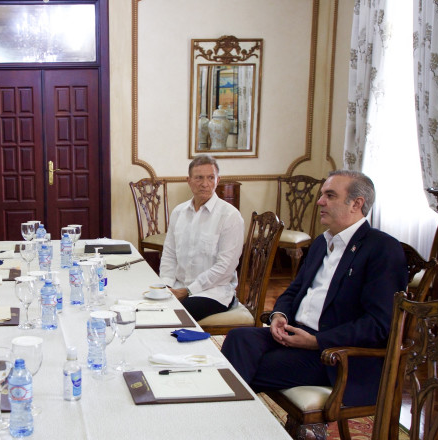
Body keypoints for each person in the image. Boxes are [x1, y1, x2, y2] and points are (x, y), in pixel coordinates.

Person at [221, 170, 408, 406]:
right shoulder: (321, 242)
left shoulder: (382, 249)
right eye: (322, 195)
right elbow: (294, 290)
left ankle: (228, 418)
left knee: (238, 369)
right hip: (296, 334)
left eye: (330, 195)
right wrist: (280, 315)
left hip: (335, 354)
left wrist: (317, 341)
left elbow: (378, 325)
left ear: (356, 204)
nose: (320, 202)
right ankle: (232, 416)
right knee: (238, 338)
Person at [159, 155, 244, 321]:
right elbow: (169, 254)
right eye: (199, 178)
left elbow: (225, 267)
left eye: (210, 177)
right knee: (148, 308)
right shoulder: (179, 212)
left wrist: (188, 291)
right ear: (189, 181)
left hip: (213, 292)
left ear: (218, 180)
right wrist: (166, 285)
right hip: (178, 286)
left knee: (173, 316)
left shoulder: (230, 216)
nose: (205, 184)